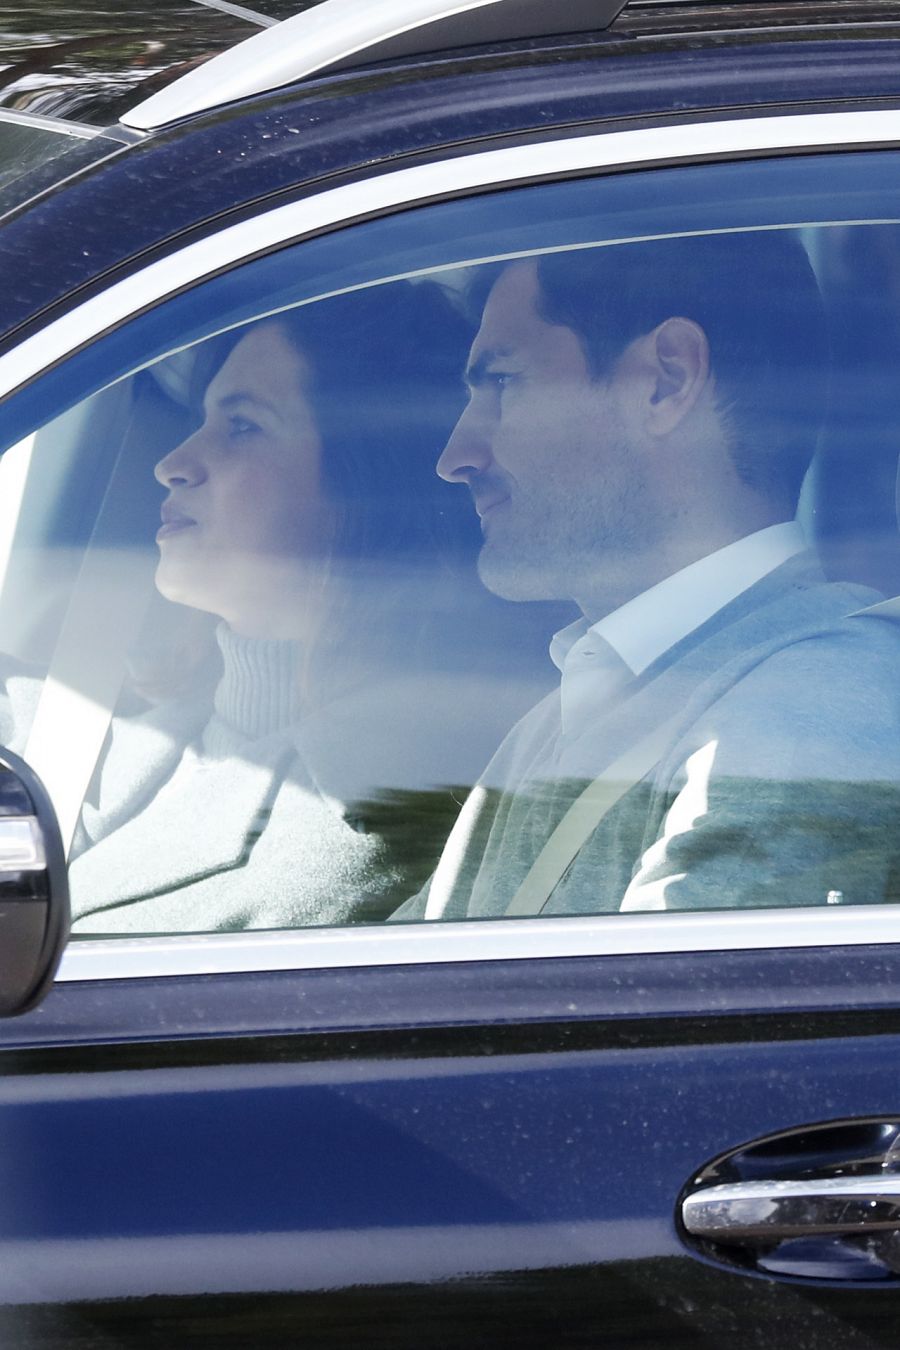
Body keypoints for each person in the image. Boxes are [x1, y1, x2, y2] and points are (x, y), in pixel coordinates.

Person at [393, 233, 900, 920]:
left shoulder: (814, 707)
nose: (455, 456)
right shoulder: (559, 719)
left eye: (503, 383)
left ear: (667, 379)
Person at [33, 281, 486, 933]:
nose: (173, 463)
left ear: (365, 483)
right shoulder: (83, 725)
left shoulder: (368, 824)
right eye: (204, 421)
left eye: (243, 426)